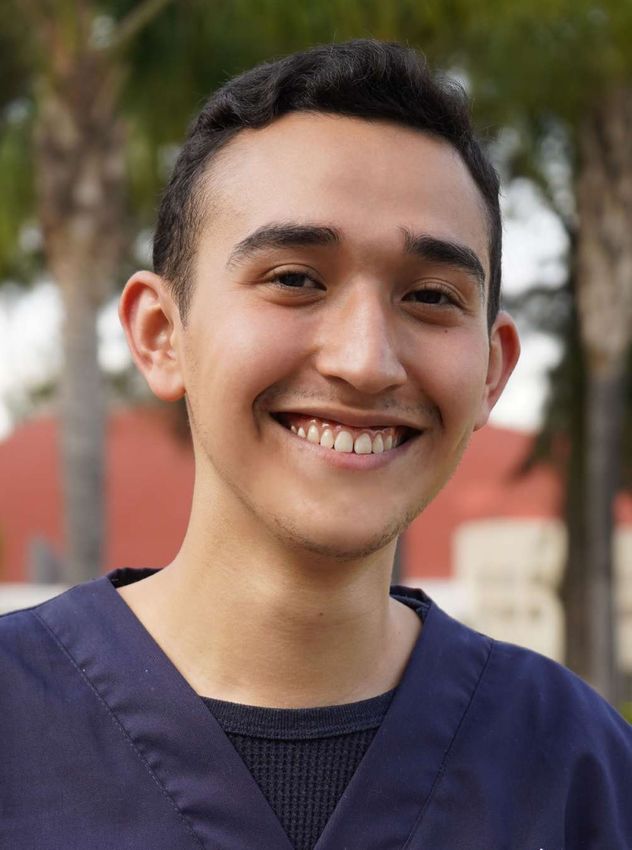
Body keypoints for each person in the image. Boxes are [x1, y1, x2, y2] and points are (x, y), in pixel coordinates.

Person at [1, 39, 630, 850]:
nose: (365, 361)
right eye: (295, 279)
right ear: (161, 335)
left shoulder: (580, 771)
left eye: (431, 296)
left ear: (491, 369)